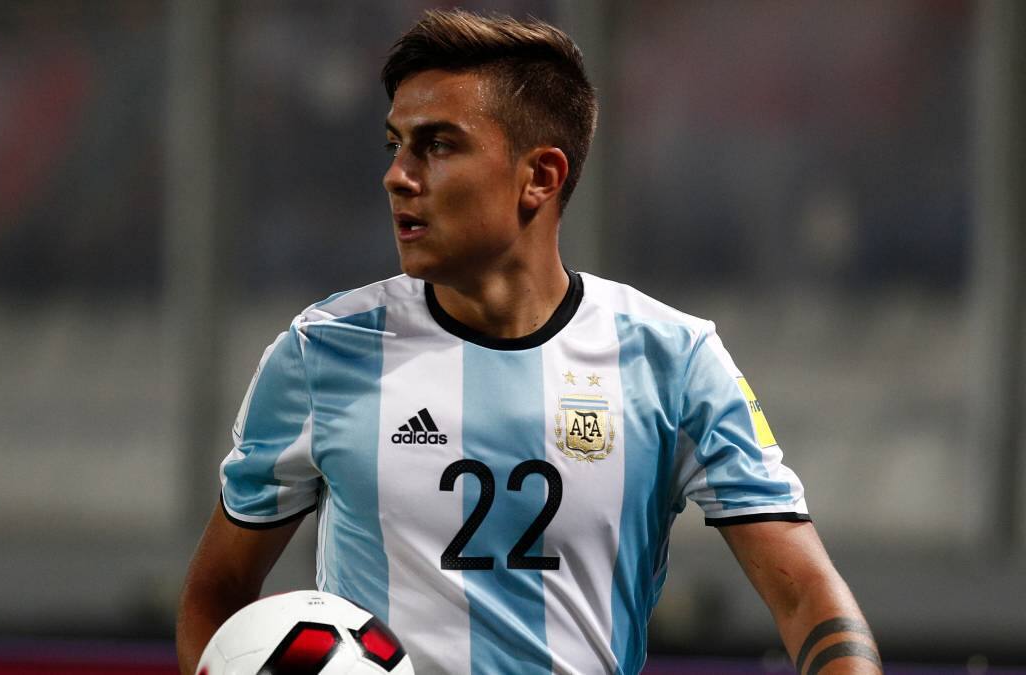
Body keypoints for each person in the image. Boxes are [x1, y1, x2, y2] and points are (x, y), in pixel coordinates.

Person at [177, 9, 881, 675]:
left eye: (438, 145)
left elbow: (805, 592)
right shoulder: (321, 352)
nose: (398, 176)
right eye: (396, 145)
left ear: (540, 177)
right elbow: (219, 590)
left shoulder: (675, 361)